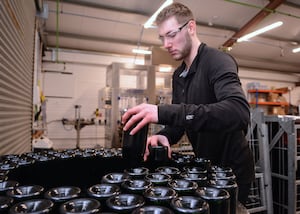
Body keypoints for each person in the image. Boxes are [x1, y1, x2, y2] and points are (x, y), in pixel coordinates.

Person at [122, 2, 255, 205]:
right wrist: (164, 135)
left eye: (171, 34)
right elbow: (179, 124)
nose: (166, 44)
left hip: (231, 172)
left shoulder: (218, 61)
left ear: (191, 28)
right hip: (203, 168)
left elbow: (238, 112)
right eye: (162, 37)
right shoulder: (179, 75)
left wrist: (162, 111)